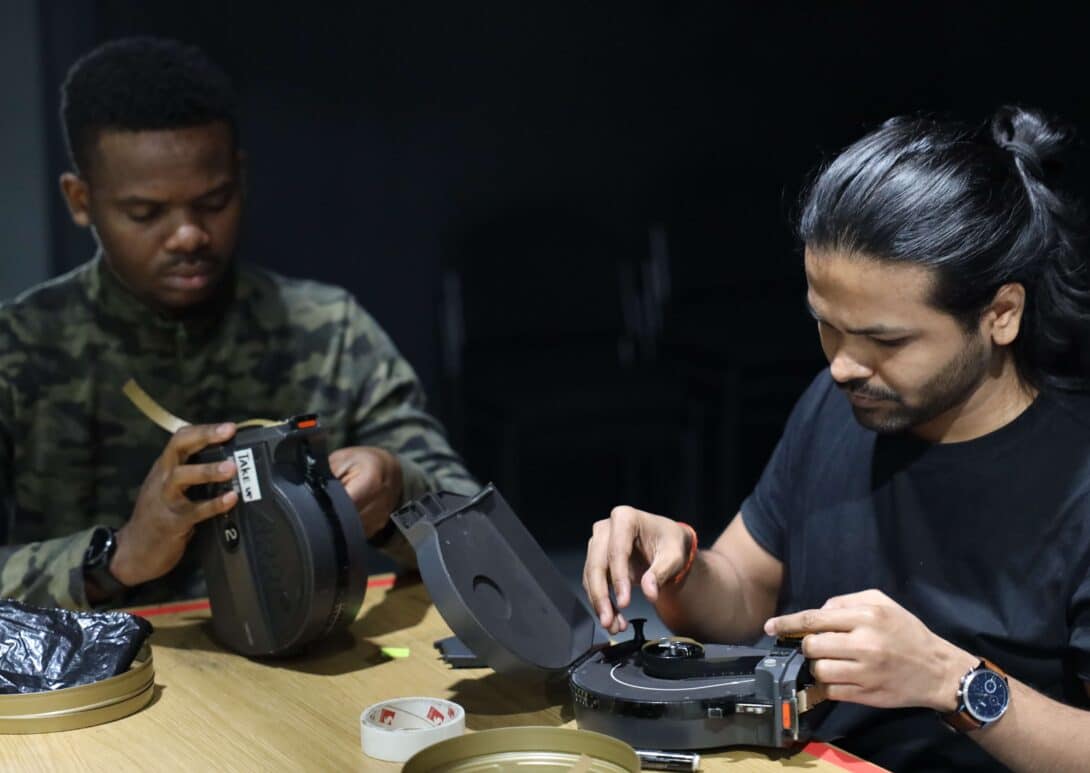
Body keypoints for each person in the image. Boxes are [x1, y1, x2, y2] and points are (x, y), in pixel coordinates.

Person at [583, 106, 1090, 771]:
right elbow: (740, 597)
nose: (842, 364)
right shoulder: (842, 403)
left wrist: (951, 680)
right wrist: (677, 566)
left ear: (1001, 314)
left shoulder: (1075, 477)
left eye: (885, 339)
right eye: (827, 324)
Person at [0, 37, 477, 610]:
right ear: (81, 200)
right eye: (145, 213)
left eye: (214, 201)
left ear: (241, 177)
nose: (189, 236)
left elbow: (477, 531)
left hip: (300, 669)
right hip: (93, 683)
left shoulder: (327, 331)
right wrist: (118, 555)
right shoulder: (19, 351)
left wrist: (397, 485)